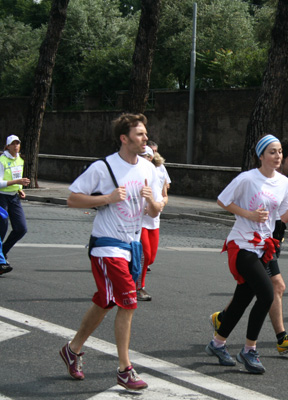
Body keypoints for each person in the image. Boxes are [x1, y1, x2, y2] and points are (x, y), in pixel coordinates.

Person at [59, 113, 164, 391]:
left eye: (145, 133)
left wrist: (152, 201)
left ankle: (73, 348)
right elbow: (72, 198)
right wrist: (107, 198)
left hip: (133, 245)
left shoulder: (148, 168)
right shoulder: (103, 167)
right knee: (128, 301)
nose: (145, 138)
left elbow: (154, 211)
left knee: (106, 300)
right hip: (107, 244)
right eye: (139, 134)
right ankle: (124, 369)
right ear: (124, 138)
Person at [205, 134, 288, 374]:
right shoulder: (247, 178)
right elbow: (223, 200)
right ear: (261, 155)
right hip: (242, 245)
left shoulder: (284, 182)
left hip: (263, 247)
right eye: (272, 152)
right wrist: (248, 214)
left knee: (242, 300)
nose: (277, 156)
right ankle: (249, 350)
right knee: (266, 294)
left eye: (279, 152)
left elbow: (282, 218)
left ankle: (217, 344)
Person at [136, 144, 170, 301]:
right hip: (139, 221)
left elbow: (165, 195)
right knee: (145, 254)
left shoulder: (160, 171)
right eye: (141, 156)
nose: (144, 159)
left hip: (154, 221)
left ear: (151, 158)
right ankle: (139, 287)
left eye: (146, 156)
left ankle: (130, 278)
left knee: (150, 258)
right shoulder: (135, 172)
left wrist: (161, 204)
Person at [0, 135, 30, 262]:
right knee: (2, 227)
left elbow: (15, 178)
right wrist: (17, 181)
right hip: (1, 196)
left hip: (14, 197)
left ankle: (3, 251)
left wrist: (19, 189)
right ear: (8, 146)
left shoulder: (20, 160)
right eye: (13, 144)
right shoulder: (1, 160)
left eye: (18, 143)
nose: (16, 146)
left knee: (21, 228)